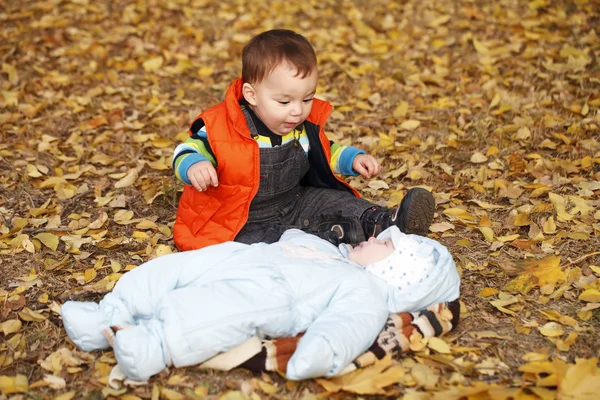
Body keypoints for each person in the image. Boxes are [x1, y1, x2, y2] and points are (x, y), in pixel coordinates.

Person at [61, 226, 460, 382]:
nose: (373, 239)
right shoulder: (333, 251)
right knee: (172, 270)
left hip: (270, 297)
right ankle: (110, 313)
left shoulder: (366, 291)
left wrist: (317, 354)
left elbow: (349, 325)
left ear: (396, 272)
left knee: (214, 311)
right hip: (243, 257)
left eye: (384, 244)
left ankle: (153, 344)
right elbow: (291, 235)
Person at [171, 29, 435, 251]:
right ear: (251, 95)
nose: (297, 110)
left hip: (294, 202)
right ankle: (325, 240)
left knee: (335, 203)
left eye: (307, 99)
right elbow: (187, 150)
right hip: (240, 219)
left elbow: (323, 151)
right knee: (249, 254)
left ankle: (385, 223)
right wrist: (194, 165)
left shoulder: (300, 125)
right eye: (284, 101)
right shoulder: (220, 125)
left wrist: (353, 159)